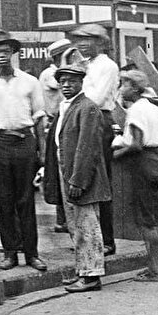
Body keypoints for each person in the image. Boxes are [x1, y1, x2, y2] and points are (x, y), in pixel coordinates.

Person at [0, 30, 48, 273]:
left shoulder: (30, 81)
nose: (2, 57)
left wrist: (43, 152)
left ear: (13, 53)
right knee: (3, 200)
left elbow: (39, 119)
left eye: (6, 52)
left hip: (24, 142)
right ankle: (10, 253)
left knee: (26, 199)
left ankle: (32, 253)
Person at [54, 50, 109, 293]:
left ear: (81, 83)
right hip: (68, 172)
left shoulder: (87, 107)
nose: (66, 85)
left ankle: (91, 275)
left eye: (72, 81)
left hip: (81, 177)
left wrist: (78, 181)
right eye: (63, 81)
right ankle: (83, 271)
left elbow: (88, 148)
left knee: (87, 227)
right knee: (76, 227)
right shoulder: (68, 106)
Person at [112, 70, 158, 283]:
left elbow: (136, 144)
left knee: (146, 220)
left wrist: (116, 154)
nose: (121, 89)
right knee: (155, 218)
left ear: (135, 88)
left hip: (144, 164)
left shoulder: (136, 111)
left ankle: (155, 270)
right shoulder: (153, 107)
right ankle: (154, 265)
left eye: (124, 85)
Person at [69, 23, 118, 256]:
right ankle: (90, 235)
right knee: (81, 176)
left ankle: (107, 239)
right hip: (82, 118)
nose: (80, 45)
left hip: (99, 121)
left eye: (86, 40)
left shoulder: (107, 66)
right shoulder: (86, 65)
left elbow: (96, 99)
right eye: (77, 40)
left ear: (100, 42)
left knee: (99, 178)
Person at [39, 39, 73, 235]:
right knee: (58, 170)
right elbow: (60, 83)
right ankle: (62, 219)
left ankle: (63, 219)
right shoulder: (49, 74)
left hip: (61, 120)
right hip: (52, 122)